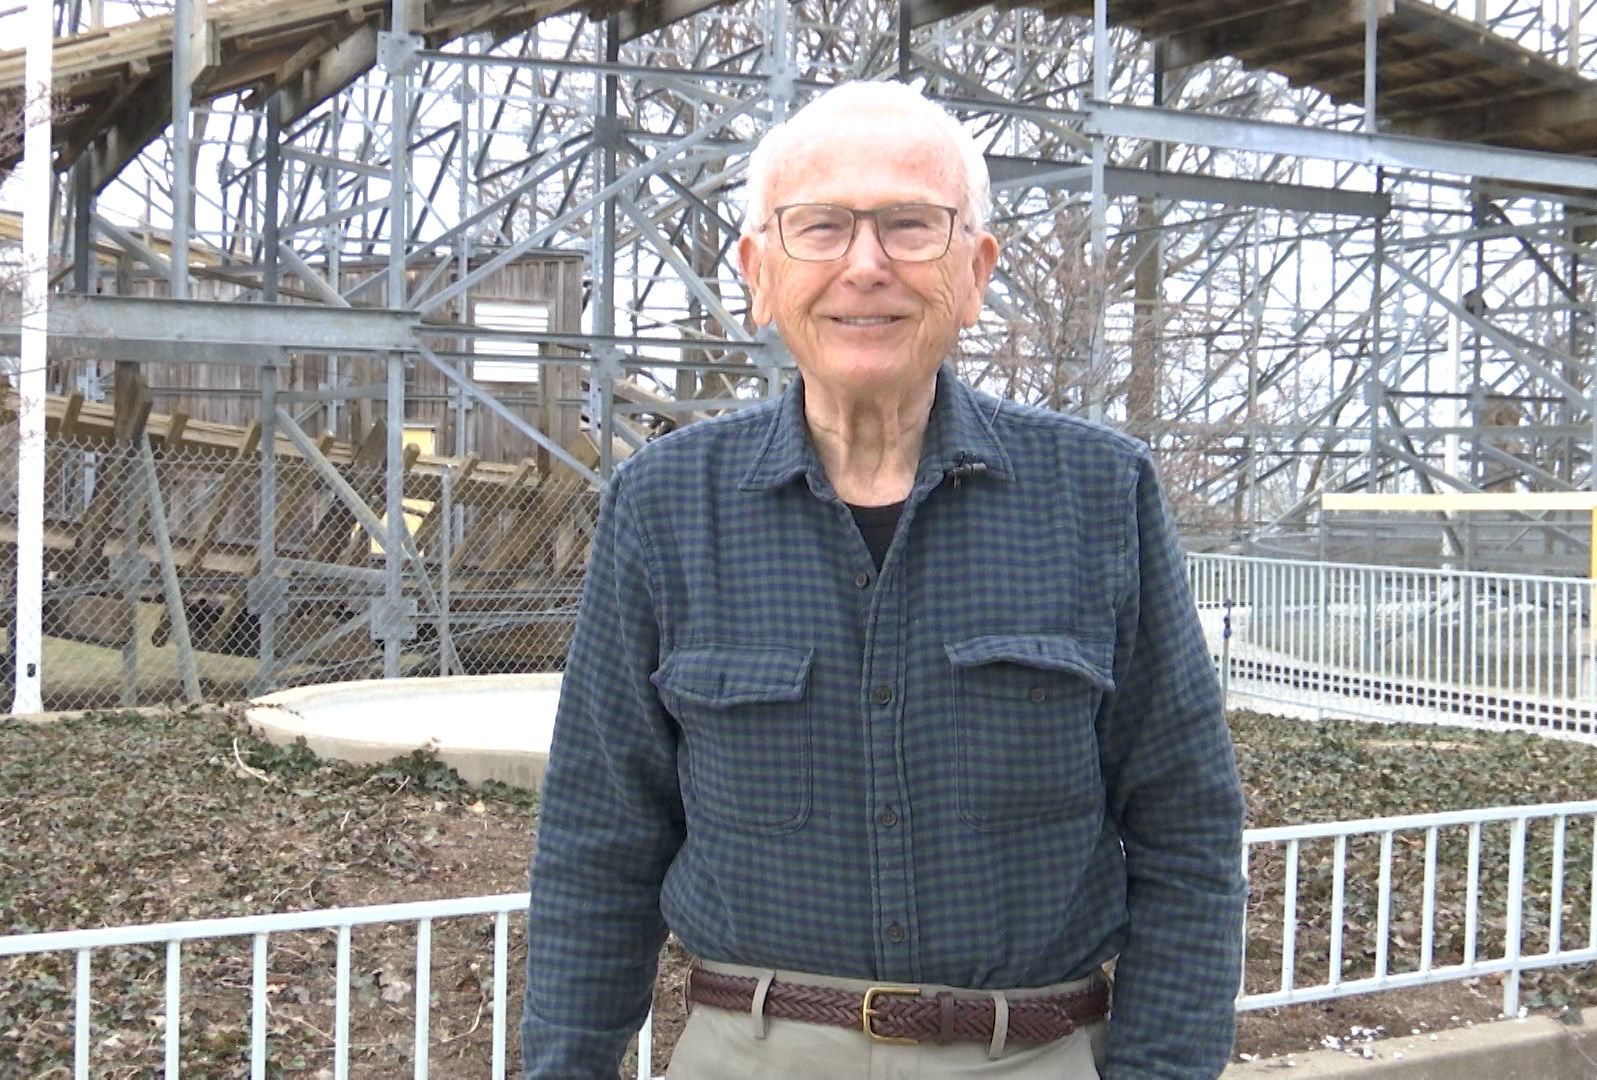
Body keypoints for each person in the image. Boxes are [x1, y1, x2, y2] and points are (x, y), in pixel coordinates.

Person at [522, 80, 1246, 1080]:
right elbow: (600, 835)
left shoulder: (1098, 493)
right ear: (759, 273)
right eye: (820, 227)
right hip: (751, 1054)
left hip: (1029, 1054)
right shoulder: (666, 504)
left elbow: (1187, 829)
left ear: (977, 269)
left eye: (910, 225)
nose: (866, 265)